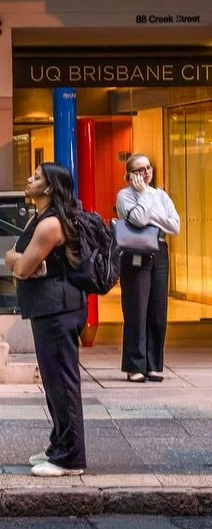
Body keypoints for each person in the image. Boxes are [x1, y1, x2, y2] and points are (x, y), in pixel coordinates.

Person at [5, 161, 87, 478]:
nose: (29, 178)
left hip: (59, 310)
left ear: (50, 187)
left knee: (64, 385)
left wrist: (18, 262)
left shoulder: (52, 224)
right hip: (47, 309)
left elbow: (22, 267)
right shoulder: (38, 218)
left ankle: (70, 458)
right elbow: (15, 256)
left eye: (37, 176)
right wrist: (17, 261)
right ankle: (58, 446)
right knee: (54, 385)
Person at [115, 154, 180, 383]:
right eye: (140, 169)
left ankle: (153, 364)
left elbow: (175, 225)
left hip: (159, 251)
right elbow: (140, 220)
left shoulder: (161, 195)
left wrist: (151, 214)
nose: (146, 173)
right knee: (136, 311)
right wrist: (143, 196)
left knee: (158, 312)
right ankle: (134, 366)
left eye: (148, 168)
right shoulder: (124, 195)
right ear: (130, 174)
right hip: (136, 253)